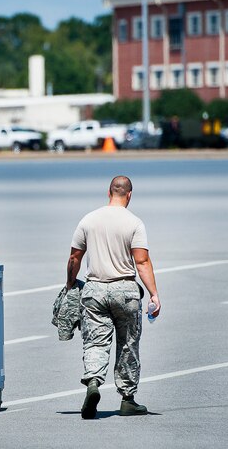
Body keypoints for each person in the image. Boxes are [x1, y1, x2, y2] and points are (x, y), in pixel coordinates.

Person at [65, 175, 161, 419]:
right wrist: (153, 294)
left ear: (108, 192)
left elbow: (74, 258)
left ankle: (93, 384)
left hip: (95, 289)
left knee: (95, 342)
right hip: (125, 290)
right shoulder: (135, 223)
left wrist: (70, 284)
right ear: (129, 195)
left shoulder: (88, 220)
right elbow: (141, 261)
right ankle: (127, 399)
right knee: (128, 343)